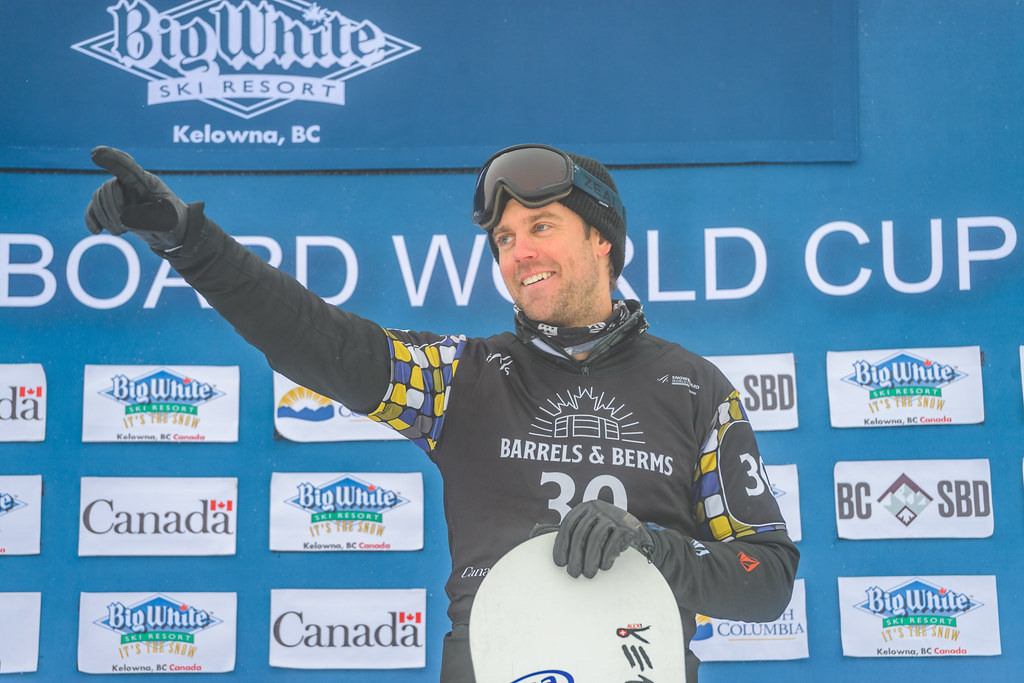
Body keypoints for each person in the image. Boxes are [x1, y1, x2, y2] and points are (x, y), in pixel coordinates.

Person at [85, 143, 798, 681]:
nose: (520, 253)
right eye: (504, 240)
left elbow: (765, 576)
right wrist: (187, 241)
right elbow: (318, 340)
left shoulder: (696, 388)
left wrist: (651, 544)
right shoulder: (461, 376)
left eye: (541, 226)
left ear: (602, 239)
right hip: (491, 662)